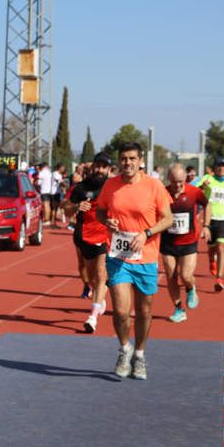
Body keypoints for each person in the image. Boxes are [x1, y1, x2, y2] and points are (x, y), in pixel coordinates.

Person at [96, 142, 173, 380]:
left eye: (132, 158)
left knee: (144, 310)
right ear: (119, 161)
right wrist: (106, 221)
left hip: (146, 256)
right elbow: (100, 210)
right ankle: (124, 349)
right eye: (123, 158)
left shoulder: (154, 186)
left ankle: (139, 354)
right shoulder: (111, 185)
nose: (127, 163)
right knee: (120, 311)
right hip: (118, 256)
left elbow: (168, 218)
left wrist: (147, 234)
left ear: (140, 161)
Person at [67, 153, 112, 333]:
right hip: (85, 235)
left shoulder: (113, 187)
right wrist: (76, 207)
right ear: (92, 167)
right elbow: (65, 206)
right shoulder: (81, 188)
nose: (100, 170)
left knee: (101, 275)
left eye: (104, 166)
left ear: (109, 169)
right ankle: (98, 296)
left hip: (106, 236)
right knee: (91, 276)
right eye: (98, 166)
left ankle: (92, 317)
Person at [161, 163, 210, 323]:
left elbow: (207, 205)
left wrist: (206, 226)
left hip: (189, 241)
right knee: (171, 275)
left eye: (181, 181)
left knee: (186, 275)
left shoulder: (194, 191)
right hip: (168, 242)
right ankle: (179, 309)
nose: (178, 185)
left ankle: (190, 288)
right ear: (169, 179)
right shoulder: (163, 192)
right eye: (175, 181)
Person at [198, 157, 224, 292]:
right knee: (212, 248)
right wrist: (202, 187)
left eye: (223, 166)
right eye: (218, 166)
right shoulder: (208, 178)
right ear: (214, 168)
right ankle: (212, 261)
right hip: (210, 219)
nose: (221, 168)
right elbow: (196, 191)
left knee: (221, 247)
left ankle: (219, 278)